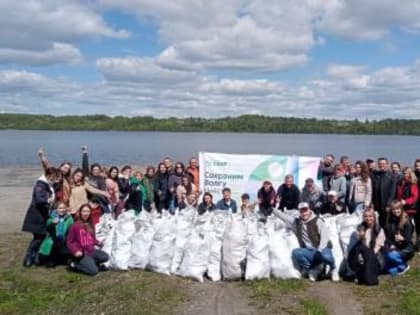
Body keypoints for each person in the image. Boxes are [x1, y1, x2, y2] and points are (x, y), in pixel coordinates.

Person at [275, 202, 338, 282]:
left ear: (309, 210)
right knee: (296, 253)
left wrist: (320, 249)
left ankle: (333, 269)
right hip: (310, 252)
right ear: (299, 212)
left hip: (322, 249)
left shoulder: (317, 220)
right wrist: (272, 209)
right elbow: (284, 217)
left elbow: (325, 237)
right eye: (301, 211)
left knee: (326, 256)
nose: (304, 213)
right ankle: (312, 270)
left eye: (305, 210)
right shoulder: (297, 223)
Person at [22, 167, 61, 267]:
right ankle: (29, 258)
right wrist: (48, 201)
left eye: (55, 176)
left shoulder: (49, 185)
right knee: (38, 237)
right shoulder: (40, 184)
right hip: (37, 215)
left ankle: (35, 257)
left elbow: (54, 189)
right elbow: (39, 199)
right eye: (52, 176)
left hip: (43, 215)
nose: (53, 178)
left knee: (41, 236)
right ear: (47, 175)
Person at [66, 203, 109, 276]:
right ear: (80, 213)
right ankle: (74, 264)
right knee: (94, 271)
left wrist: (98, 243)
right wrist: (75, 251)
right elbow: (69, 242)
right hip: (82, 253)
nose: (86, 214)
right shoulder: (75, 226)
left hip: (91, 251)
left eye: (87, 211)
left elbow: (93, 239)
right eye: (84, 211)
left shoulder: (90, 224)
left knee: (105, 257)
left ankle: (91, 262)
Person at [347, 208, 385, 285]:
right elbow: (357, 240)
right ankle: (361, 273)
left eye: (370, 216)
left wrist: (366, 257)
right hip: (362, 253)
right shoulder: (361, 227)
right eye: (366, 216)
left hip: (374, 257)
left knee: (365, 253)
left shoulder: (379, 230)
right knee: (356, 250)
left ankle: (368, 276)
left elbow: (376, 249)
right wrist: (361, 236)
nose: (368, 218)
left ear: (374, 217)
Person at [38, 201, 74, 267]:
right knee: (42, 259)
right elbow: (47, 226)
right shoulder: (52, 217)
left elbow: (72, 229)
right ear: (56, 209)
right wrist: (52, 223)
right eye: (60, 208)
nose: (62, 210)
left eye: (64, 208)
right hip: (52, 239)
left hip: (63, 240)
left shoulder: (69, 218)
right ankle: (52, 259)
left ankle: (60, 259)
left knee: (61, 242)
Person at [383, 200, 414, 275]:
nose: (396, 211)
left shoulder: (406, 221)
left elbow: (409, 239)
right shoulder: (389, 221)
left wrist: (402, 238)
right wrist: (391, 244)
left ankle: (404, 266)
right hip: (394, 247)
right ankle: (397, 266)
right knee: (389, 270)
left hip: (406, 248)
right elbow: (388, 237)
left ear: (401, 209)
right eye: (394, 209)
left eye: (398, 209)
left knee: (391, 256)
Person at [371, 157, 396, 227]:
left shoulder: (391, 176)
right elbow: (372, 190)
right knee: (377, 224)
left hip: (386, 206)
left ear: (387, 164)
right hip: (377, 205)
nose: (382, 165)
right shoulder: (375, 175)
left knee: (387, 224)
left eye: (383, 163)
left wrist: (388, 204)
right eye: (380, 164)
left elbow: (392, 192)